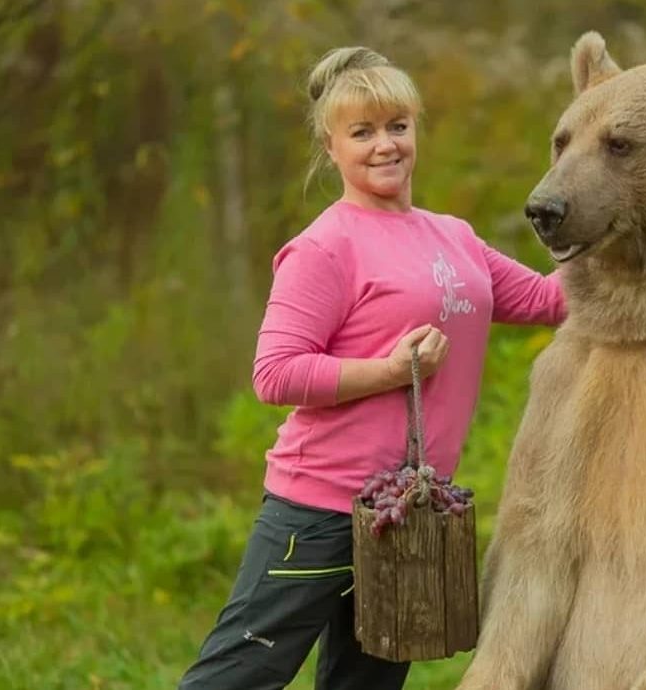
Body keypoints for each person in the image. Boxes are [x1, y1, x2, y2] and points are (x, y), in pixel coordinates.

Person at [178, 45, 566, 690]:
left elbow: (549, 299)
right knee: (237, 677)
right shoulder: (326, 246)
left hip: (408, 517)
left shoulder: (454, 236)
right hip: (318, 511)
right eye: (362, 132)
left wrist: (636, 225)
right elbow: (275, 373)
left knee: (368, 685)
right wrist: (389, 371)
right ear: (331, 147)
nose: (384, 146)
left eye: (397, 127)